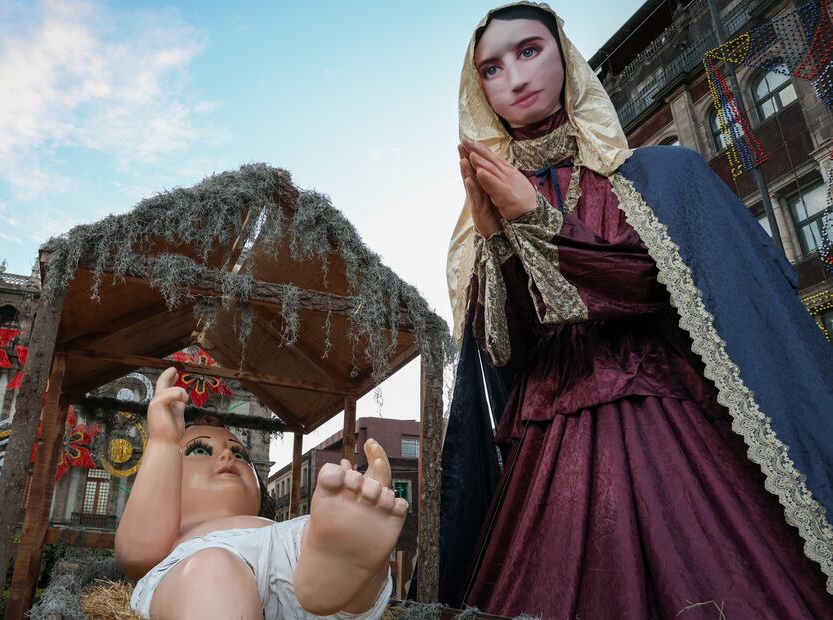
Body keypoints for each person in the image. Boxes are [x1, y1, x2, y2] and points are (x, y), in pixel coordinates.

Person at [439, 3, 833, 618]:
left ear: (565, 58)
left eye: (529, 51)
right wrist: (496, 240)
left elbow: (645, 285)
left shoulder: (652, 175)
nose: (514, 79)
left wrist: (535, 220)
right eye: (491, 68)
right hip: (553, 430)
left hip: (660, 402)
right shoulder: (481, 211)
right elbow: (509, 349)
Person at [116, 367, 407, 619]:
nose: (227, 457)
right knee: (213, 574)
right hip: (199, 558)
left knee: (311, 540)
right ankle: (346, 562)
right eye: (201, 450)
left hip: (290, 553)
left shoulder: (284, 533)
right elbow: (137, 553)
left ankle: (351, 561)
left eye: (240, 454)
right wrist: (164, 442)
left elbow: (294, 541)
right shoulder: (179, 535)